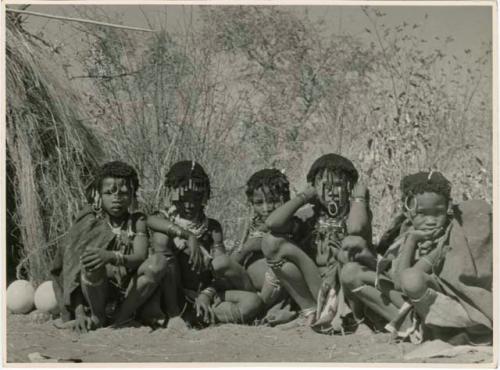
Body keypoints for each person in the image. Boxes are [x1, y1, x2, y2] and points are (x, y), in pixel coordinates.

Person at [341, 171, 493, 344]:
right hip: (412, 308)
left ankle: (439, 332)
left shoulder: (448, 237)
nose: (431, 221)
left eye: (438, 213)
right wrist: (373, 257)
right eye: (422, 214)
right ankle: (397, 325)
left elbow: (403, 282)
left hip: (442, 312)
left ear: (448, 209)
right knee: (350, 271)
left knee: (412, 278)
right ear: (408, 212)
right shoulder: (405, 230)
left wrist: (412, 240)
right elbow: (395, 275)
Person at [262, 153, 373, 333]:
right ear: (314, 187)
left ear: (349, 187)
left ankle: (353, 320)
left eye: (337, 185)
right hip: (318, 288)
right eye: (324, 186)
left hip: (348, 292)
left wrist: (358, 198)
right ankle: (310, 312)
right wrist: (304, 197)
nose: (330, 191)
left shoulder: (357, 212)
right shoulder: (310, 215)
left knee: (352, 247)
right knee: (271, 242)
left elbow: (356, 229)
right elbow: (272, 224)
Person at [147, 160, 262, 327]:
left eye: (196, 197)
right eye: (184, 197)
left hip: (205, 293)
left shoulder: (212, 228)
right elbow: (149, 221)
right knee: (161, 238)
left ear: (205, 195)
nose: (189, 204)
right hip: (174, 293)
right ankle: (174, 314)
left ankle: (197, 316)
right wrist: (188, 236)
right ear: (172, 193)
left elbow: (220, 271)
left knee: (253, 302)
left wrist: (207, 294)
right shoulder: (163, 218)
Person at [51, 161, 162, 333]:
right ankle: (97, 317)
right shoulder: (88, 223)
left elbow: (140, 257)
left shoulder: (136, 222)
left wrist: (111, 256)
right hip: (96, 295)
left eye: (124, 193)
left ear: (133, 195)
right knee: (92, 264)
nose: (116, 198)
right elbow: (70, 272)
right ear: (98, 195)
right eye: (109, 193)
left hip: (128, 295)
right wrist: (80, 314)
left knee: (158, 262)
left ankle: (121, 319)